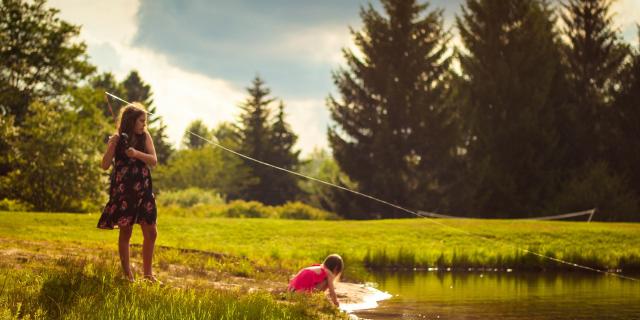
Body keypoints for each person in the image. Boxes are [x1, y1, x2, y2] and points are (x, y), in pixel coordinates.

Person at [97, 103, 159, 283]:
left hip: (143, 190)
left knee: (151, 231)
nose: (144, 125)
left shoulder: (145, 136)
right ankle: (128, 276)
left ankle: (148, 276)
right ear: (131, 121)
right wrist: (111, 146)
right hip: (124, 191)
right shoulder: (118, 138)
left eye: (145, 121)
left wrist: (136, 154)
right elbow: (105, 165)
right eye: (141, 121)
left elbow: (153, 160)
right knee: (126, 232)